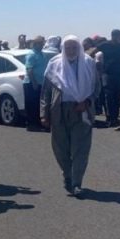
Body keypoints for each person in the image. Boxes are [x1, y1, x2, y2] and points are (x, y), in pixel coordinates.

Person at [40, 36, 100, 197]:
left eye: (74, 47)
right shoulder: (54, 64)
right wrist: (43, 114)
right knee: (60, 148)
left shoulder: (88, 63)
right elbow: (45, 92)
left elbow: (97, 88)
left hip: (82, 110)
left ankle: (76, 182)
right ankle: (67, 175)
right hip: (59, 110)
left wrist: (87, 102)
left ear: (79, 48)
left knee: (80, 148)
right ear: (63, 49)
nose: (71, 51)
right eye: (68, 48)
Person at [94, 29, 120, 127]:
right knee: (109, 96)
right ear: (114, 36)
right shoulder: (105, 45)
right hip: (107, 73)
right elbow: (94, 51)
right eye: (119, 36)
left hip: (119, 74)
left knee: (117, 96)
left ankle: (114, 118)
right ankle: (110, 117)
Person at [24, 35, 51, 131]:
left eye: (42, 43)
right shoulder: (31, 54)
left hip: (41, 83)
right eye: (40, 43)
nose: (42, 45)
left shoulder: (42, 54)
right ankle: (31, 124)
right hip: (31, 83)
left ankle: (39, 123)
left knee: (39, 104)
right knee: (32, 104)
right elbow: (29, 69)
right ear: (35, 44)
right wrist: (34, 83)